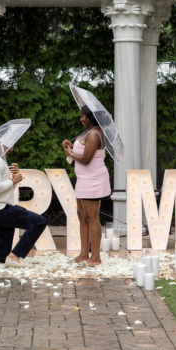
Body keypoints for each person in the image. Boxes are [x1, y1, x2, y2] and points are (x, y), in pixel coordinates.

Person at [0, 143, 48, 268]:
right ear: (0, 144)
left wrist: (14, 180)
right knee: (39, 222)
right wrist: (13, 180)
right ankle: (15, 256)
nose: (12, 149)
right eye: (9, 145)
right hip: (1, 210)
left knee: (0, 256)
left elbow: (2, 190)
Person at [62, 108, 110, 266]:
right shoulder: (88, 132)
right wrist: (71, 146)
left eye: (83, 116)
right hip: (83, 179)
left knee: (92, 218)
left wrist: (70, 153)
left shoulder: (95, 134)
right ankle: (84, 254)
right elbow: (81, 152)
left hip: (93, 180)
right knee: (81, 215)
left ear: (91, 117)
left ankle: (95, 257)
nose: (80, 119)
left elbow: (86, 159)